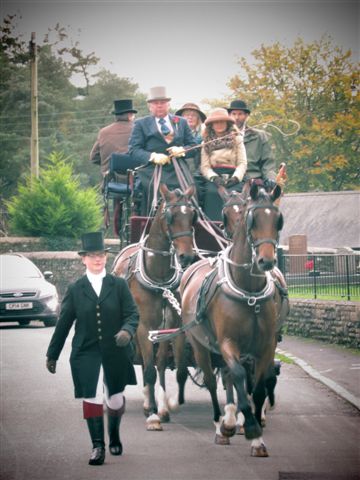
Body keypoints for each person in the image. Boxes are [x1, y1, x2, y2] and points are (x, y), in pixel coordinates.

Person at [46, 231, 139, 466]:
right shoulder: (76, 289)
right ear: (83, 259)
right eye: (92, 255)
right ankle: (98, 446)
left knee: (115, 399)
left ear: (105, 258)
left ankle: (115, 434)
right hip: (85, 352)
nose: (98, 259)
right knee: (92, 397)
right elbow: (64, 323)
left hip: (115, 351)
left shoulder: (118, 285)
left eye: (101, 255)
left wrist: (127, 331)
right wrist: (52, 353)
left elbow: (132, 314)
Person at [128, 86, 197, 215]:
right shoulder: (141, 123)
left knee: (191, 190)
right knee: (151, 192)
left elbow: (193, 146)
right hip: (152, 170)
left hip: (178, 169)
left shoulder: (181, 122)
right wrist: (152, 156)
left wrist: (182, 150)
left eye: (162, 103)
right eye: (155, 103)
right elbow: (134, 150)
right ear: (150, 106)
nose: (159, 106)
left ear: (168, 105)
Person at [199, 107, 247, 220]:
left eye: (222, 121)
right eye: (216, 122)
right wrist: (214, 178)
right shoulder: (205, 143)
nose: (219, 124)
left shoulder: (237, 139)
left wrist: (236, 178)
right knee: (211, 193)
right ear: (211, 125)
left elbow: (242, 163)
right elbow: (205, 167)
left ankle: (238, 227)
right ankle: (213, 226)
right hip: (214, 177)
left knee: (235, 195)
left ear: (227, 123)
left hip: (234, 176)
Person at [226, 99, 277, 190]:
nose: (236, 117)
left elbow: (268, 163)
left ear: (246, 116)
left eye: (240, 114)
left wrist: (270, 179)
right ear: (229, 116)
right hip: (232, 181)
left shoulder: (259, 136)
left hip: (255, 181)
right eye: (233, 114)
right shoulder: (222, 137)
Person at [90, 99, 137, 183]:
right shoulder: (138, 129)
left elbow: (93, 157)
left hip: (110, 183)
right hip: (135, 182)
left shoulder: (103, 132)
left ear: (116, 116)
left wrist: (108, 163)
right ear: (130, 115)